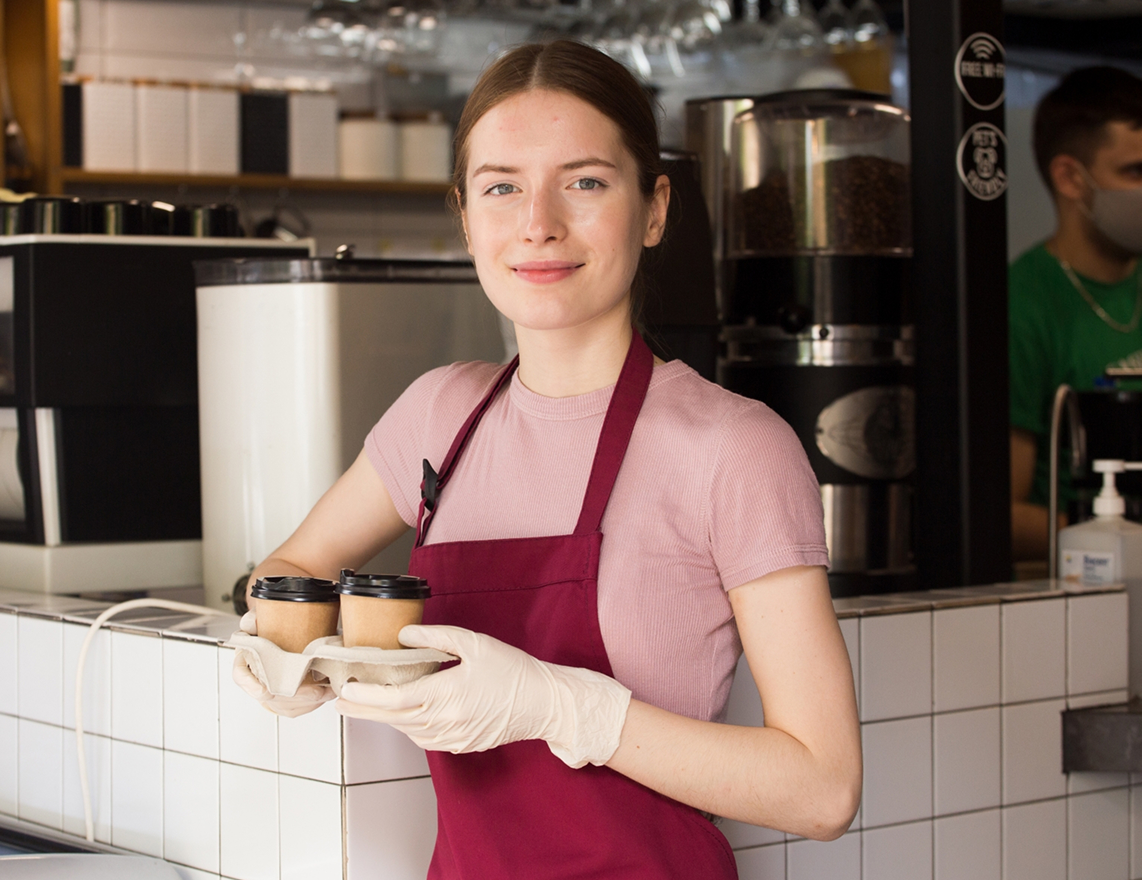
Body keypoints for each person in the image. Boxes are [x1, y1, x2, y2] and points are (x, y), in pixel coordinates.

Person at [234, 40, 861, 878]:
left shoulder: (733, 448)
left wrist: (561, 707)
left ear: (654, 208)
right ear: (465, 217)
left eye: (586, 182)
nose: (539, 222)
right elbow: (288, 569)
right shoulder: (439, 416)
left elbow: (822, 790)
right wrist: (291, 651)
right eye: (502, 187)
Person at [1010, 66, 1142, 566]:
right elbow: (1000, 511)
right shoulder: (1022, 307)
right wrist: (1116, 540)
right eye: (1135, 171)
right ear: (1071, 178)